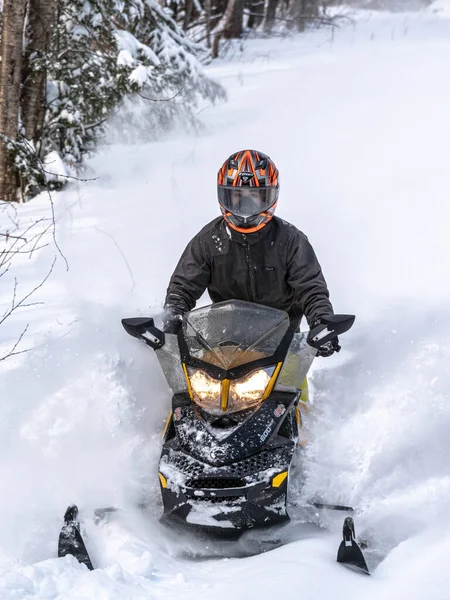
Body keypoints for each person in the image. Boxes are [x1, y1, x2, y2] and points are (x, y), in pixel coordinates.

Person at [163, 149, 340, 357]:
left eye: (255, 196)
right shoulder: (209, 240)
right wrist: (172, 319)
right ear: (224, 195)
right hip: (222, 348)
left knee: (296, 389)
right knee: (185, 389)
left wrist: (322, 323)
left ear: (270, 195)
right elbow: (182, 288)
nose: (246, 205)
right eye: (238, 195)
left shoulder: (291, 241)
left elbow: (312, 290)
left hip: (283, 349)